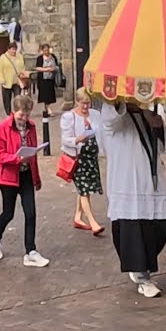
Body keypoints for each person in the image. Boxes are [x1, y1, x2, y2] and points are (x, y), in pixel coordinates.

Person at [101, 100, 166, 298]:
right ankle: (142, 275)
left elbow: (165, 145)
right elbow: (110, 120)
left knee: (159, 228)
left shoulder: (148, 113)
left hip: (152, 184)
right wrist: (117, 101)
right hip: (128, 184)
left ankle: (143, 267)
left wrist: (158, 126)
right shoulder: (115, 116)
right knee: (133, 230)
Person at [0, 95, 50, 268]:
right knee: (8, 213)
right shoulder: (3, 128)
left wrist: (36, 178)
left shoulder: (31, 127)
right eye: (21, 115)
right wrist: (17, 159)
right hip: (8, 177)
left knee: (31, 213)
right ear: (13, 111)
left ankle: (30, 251)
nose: (24, 118)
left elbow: (33, 155)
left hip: (26, 175)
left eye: (27, 115)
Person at [60, 88, 105, 236]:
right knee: (84, 189)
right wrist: (77, 139)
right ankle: (93, 223)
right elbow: (65, 139)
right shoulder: (69, 117)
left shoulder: (95, 115)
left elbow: (101, 132)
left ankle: (78, 217)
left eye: (88, 103)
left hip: (91, 158)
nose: (85, 106)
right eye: (82, 103)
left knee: (84, 188)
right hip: (78, 158)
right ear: (77, 102)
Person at [0, 42, 27, 114]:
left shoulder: (19, 56)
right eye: (12, 49)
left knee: (18, 98)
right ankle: (8, 113)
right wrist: (1, 79)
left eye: (15, 49)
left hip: (17, 81)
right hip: (6, 82)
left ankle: (17, 112)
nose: (14, 51)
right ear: (8, 49)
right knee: (7, 100)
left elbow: (22, 67)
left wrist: (23, 75)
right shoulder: (3, 57)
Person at [33, 43, 60, 115]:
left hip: (51, 79)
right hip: (43, 80)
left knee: (50, 95)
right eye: (45, 50)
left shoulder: (53, 57)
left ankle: (47, 108)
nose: (46, 52)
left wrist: (54, 69)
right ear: (42, 50)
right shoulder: (40, 58)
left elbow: (57, 66)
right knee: (45, 96)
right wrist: (46, 69)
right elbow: (37, 68)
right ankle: (48, 109)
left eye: (47, 50)